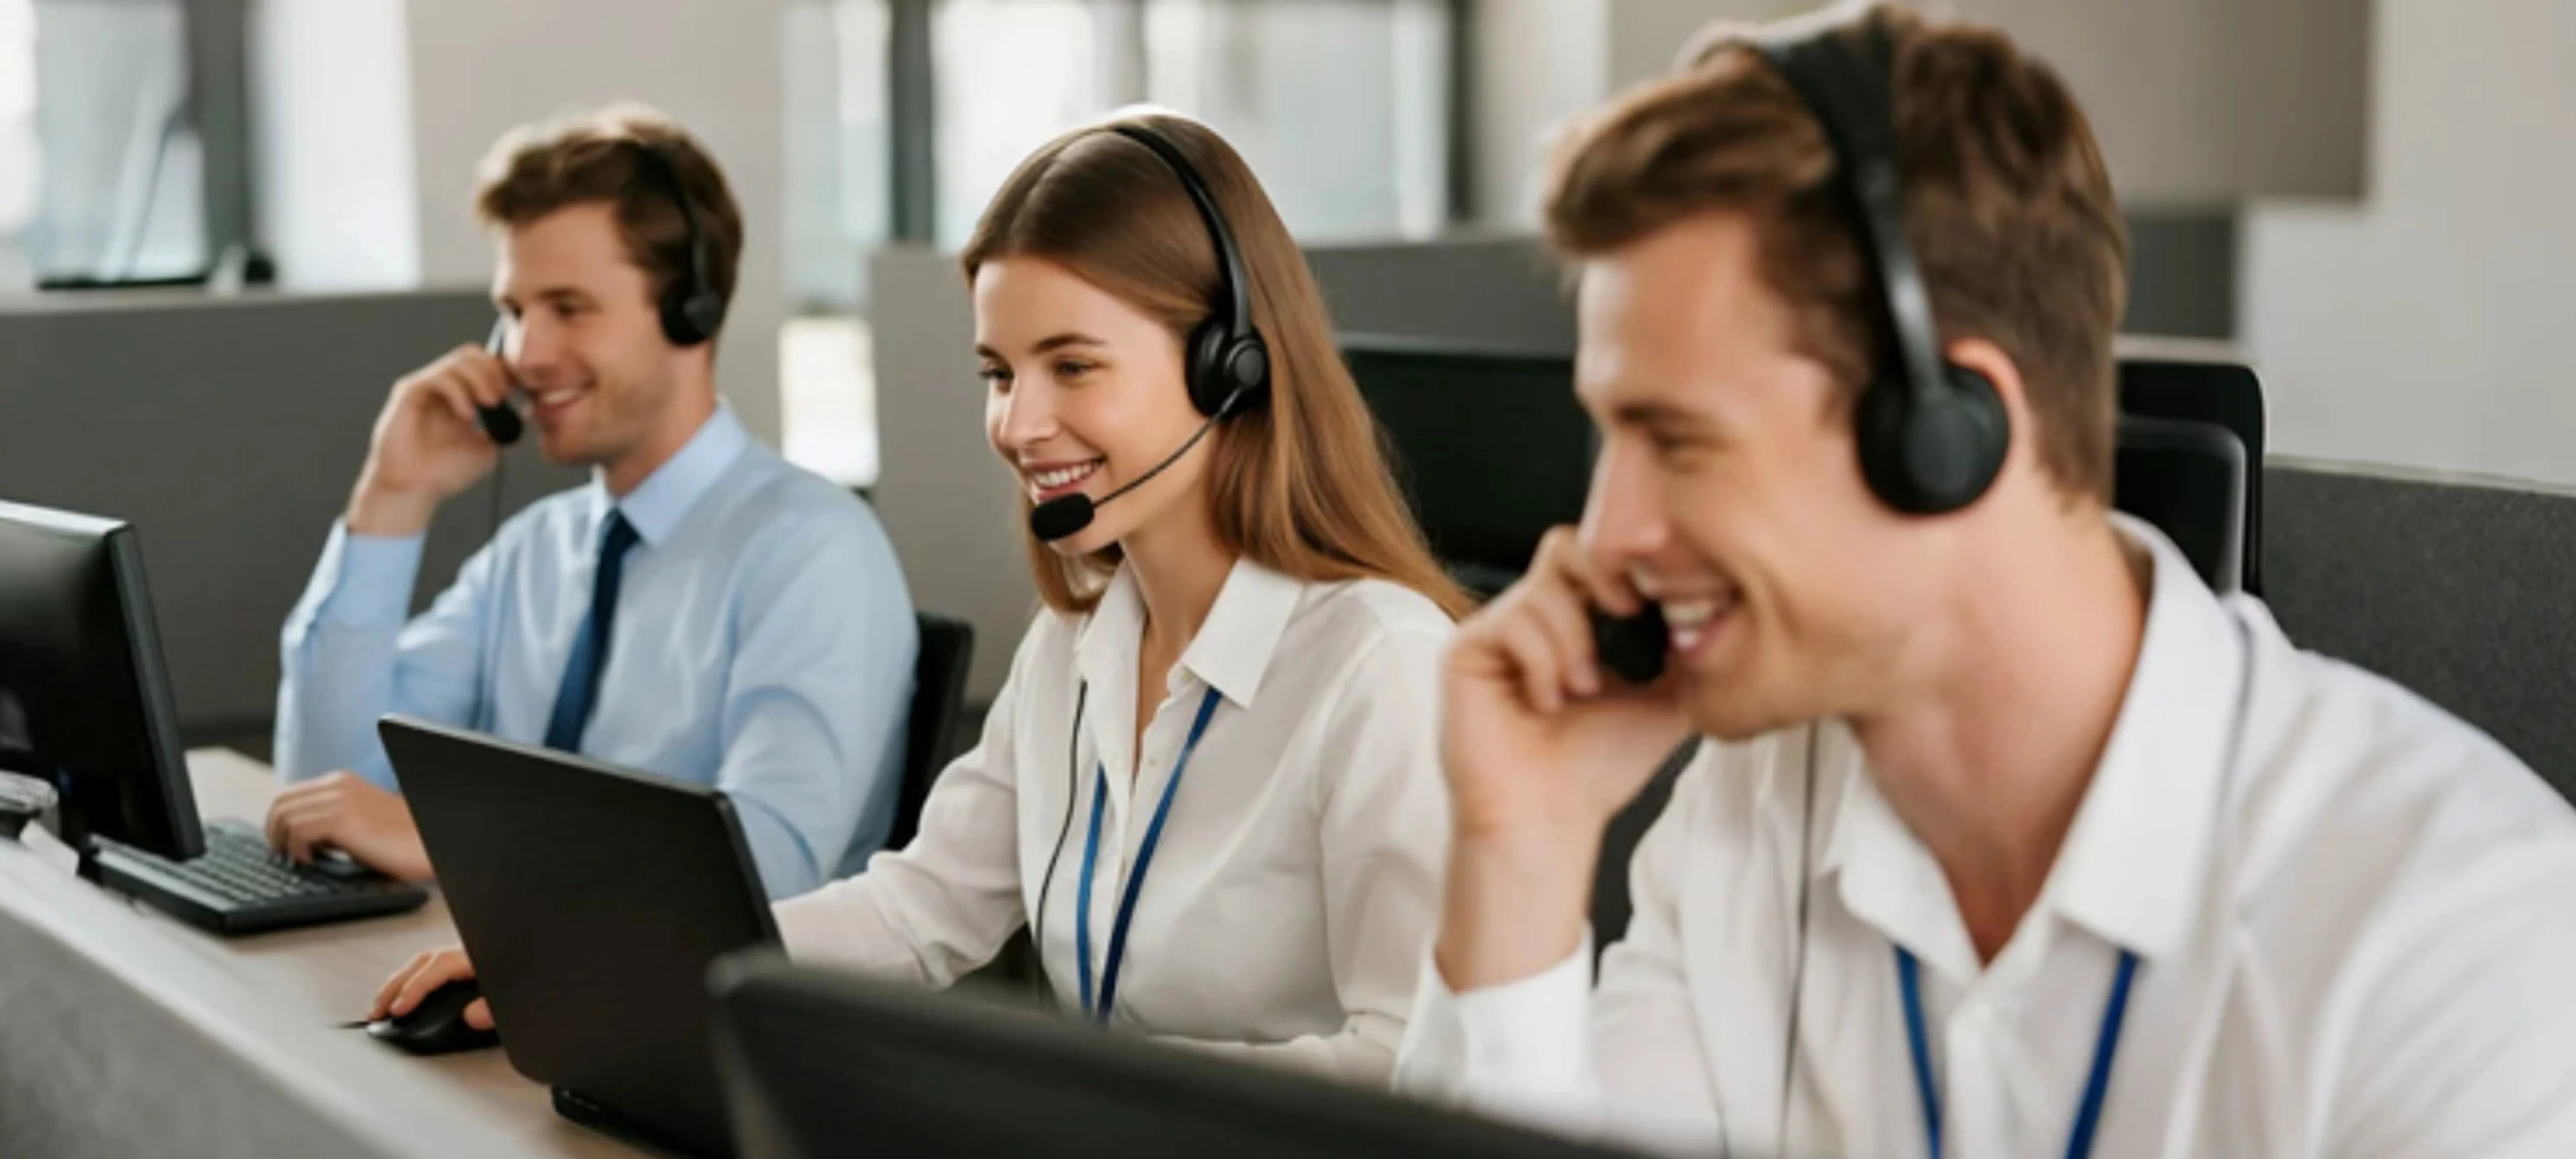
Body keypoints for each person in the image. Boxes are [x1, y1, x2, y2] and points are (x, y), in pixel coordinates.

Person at [1394, 6, 2576, 1157]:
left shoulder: (2462, 935)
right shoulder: (1752, 806)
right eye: (1610, 441)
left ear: (1945, 437)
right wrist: (1521, 847)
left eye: (1680, 442)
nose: (1604, 537)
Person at [368, 112, 1472, 1082]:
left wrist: (1076, 1094)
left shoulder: (1378, 669)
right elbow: (921, 908)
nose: (1019, 423)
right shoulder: (1081, 641)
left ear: (1230, 364)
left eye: (1072, 366)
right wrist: (600, 962)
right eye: (1000, 373)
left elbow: (1415, 1064)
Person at [267, 107, 917, 901]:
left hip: (696, 1016)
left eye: (568, 308)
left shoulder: (811, 553)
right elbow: (325, 796)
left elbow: (762, 871)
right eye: (513, 312)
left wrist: (458, 844)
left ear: (692, 313)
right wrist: (392, 497)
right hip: (518, 983)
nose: (524, 355)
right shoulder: (535, 550)